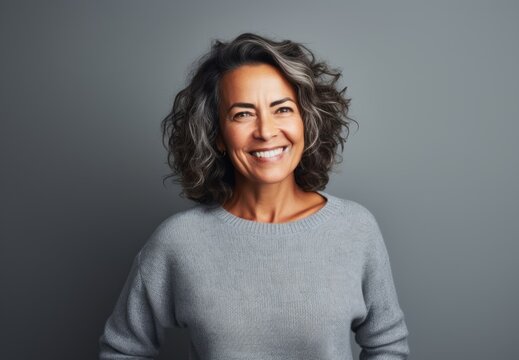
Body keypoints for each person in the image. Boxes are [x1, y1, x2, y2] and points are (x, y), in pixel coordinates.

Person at [98, 32, 410, 360]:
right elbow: (122, 350)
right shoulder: (179, 241)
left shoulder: (356, 229)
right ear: (217, 135)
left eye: (282, 109)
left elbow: (387, 345)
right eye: (242, 114)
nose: (265, 130)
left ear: (306, 121)